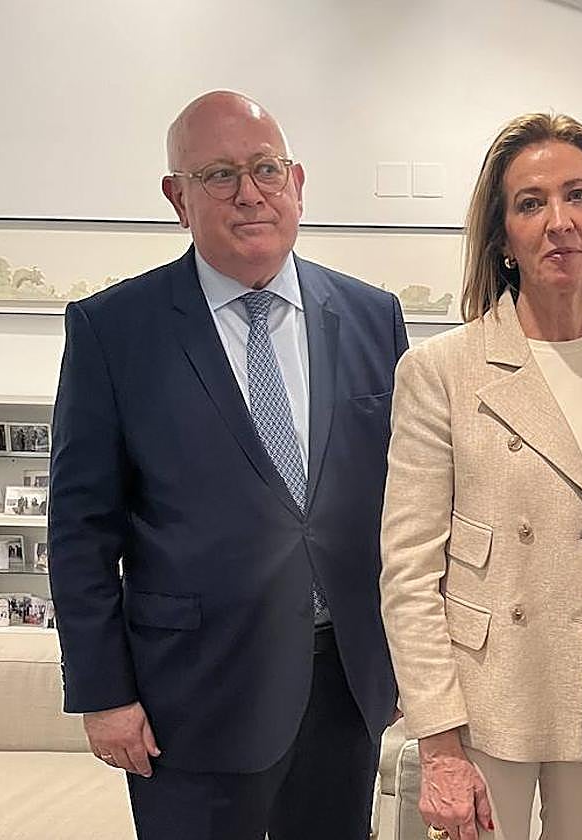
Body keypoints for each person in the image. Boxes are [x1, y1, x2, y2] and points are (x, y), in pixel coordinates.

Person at [48, 90, 407, 840]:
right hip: (190, 697)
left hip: (345, 685)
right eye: (218, 175)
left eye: (266, 169)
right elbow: (81, 528)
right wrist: (103, 693)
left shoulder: (373, 317)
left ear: (297, 183)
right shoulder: (115, 330)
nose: (250, 193)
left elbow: (405, 501)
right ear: (177, 198)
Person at [381, 112, 582, 840]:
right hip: (489, 691)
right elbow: (409, 571)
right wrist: (438, 742)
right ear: (502, 238)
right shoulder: (442, 371)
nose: (558, 222)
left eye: (577, 196)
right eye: (530, 203)